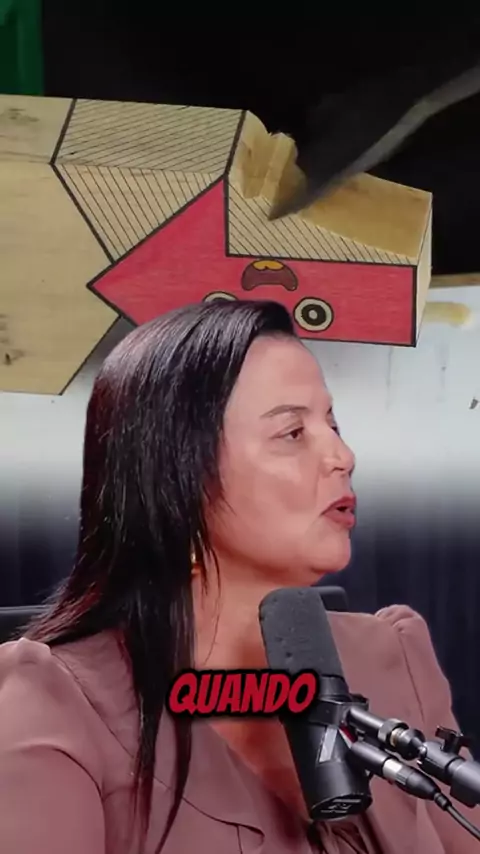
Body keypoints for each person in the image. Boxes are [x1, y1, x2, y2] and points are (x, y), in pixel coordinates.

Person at [0, 299, 476, 854]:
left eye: (333, 424)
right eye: (292, 433)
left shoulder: (393, 653)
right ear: (177, 478)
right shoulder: (52, 703)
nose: (343, 455)